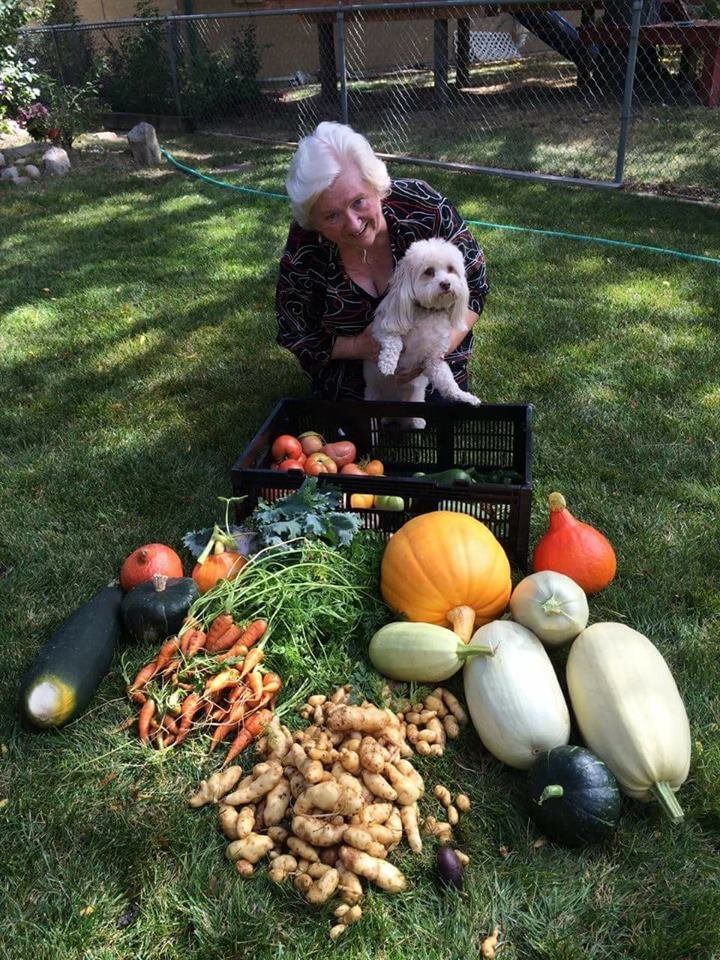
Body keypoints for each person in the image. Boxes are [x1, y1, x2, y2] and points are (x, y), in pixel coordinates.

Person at [275, 121, 489, 402]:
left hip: (435, 354)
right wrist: (358, 347)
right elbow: (295, 329)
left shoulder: (425, 208)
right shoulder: (307, 244)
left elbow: (476, 282)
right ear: (314, 221)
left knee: (440, 412)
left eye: (358, 202)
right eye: (331, 216)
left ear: (375, 186)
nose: (353, 225)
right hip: (351, 370)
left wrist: (433, 353)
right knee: (351, 425)